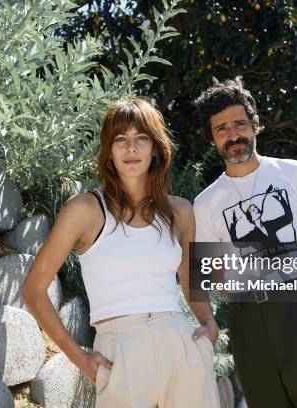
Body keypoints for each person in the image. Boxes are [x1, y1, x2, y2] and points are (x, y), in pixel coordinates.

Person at [21, 98, 221, 408]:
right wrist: (81, 358)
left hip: (182, 345)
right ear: (109, 151)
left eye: (141, 138)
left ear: (155, 148)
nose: (131, 148)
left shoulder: (180, 211)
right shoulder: (84, 210)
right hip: (120, 352)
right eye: (120, 139)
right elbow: (33, 291)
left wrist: (209, 323)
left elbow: (190, 275)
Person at [192, 78, 297, 408]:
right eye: (221, 128)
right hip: (249, 324)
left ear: (255, 126)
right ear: (212, 139)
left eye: (240, 123)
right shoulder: (206, 203)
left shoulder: (296, 174)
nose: (233, 135)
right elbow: (215, 274)